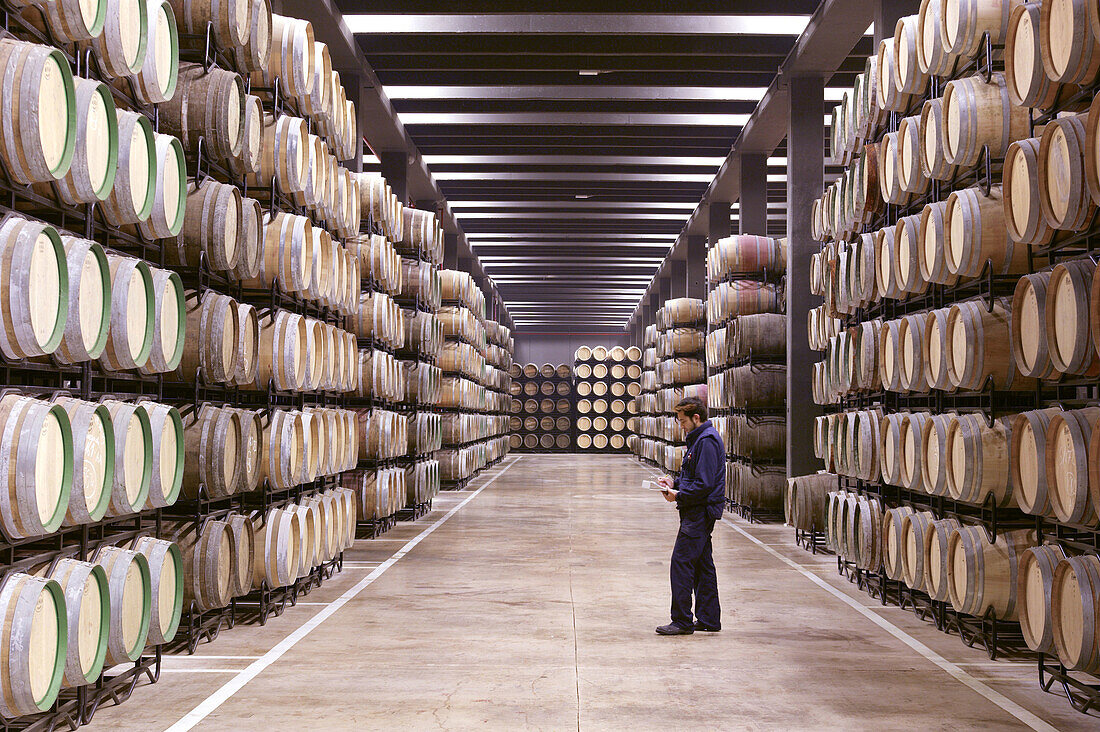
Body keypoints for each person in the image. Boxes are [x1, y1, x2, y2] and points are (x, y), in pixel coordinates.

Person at [655, 396, 725, 635]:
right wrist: (673, 482)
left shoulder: (706, 441)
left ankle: (682, 620)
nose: (681, 426)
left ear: (696, 418)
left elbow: (704, 484)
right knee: (703, 566)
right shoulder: (698, 440)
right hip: (696, 510)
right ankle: (709, 618)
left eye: (683, 421)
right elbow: (694, 476)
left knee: (681, 564)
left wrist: (679, 496)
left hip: (699, 512)